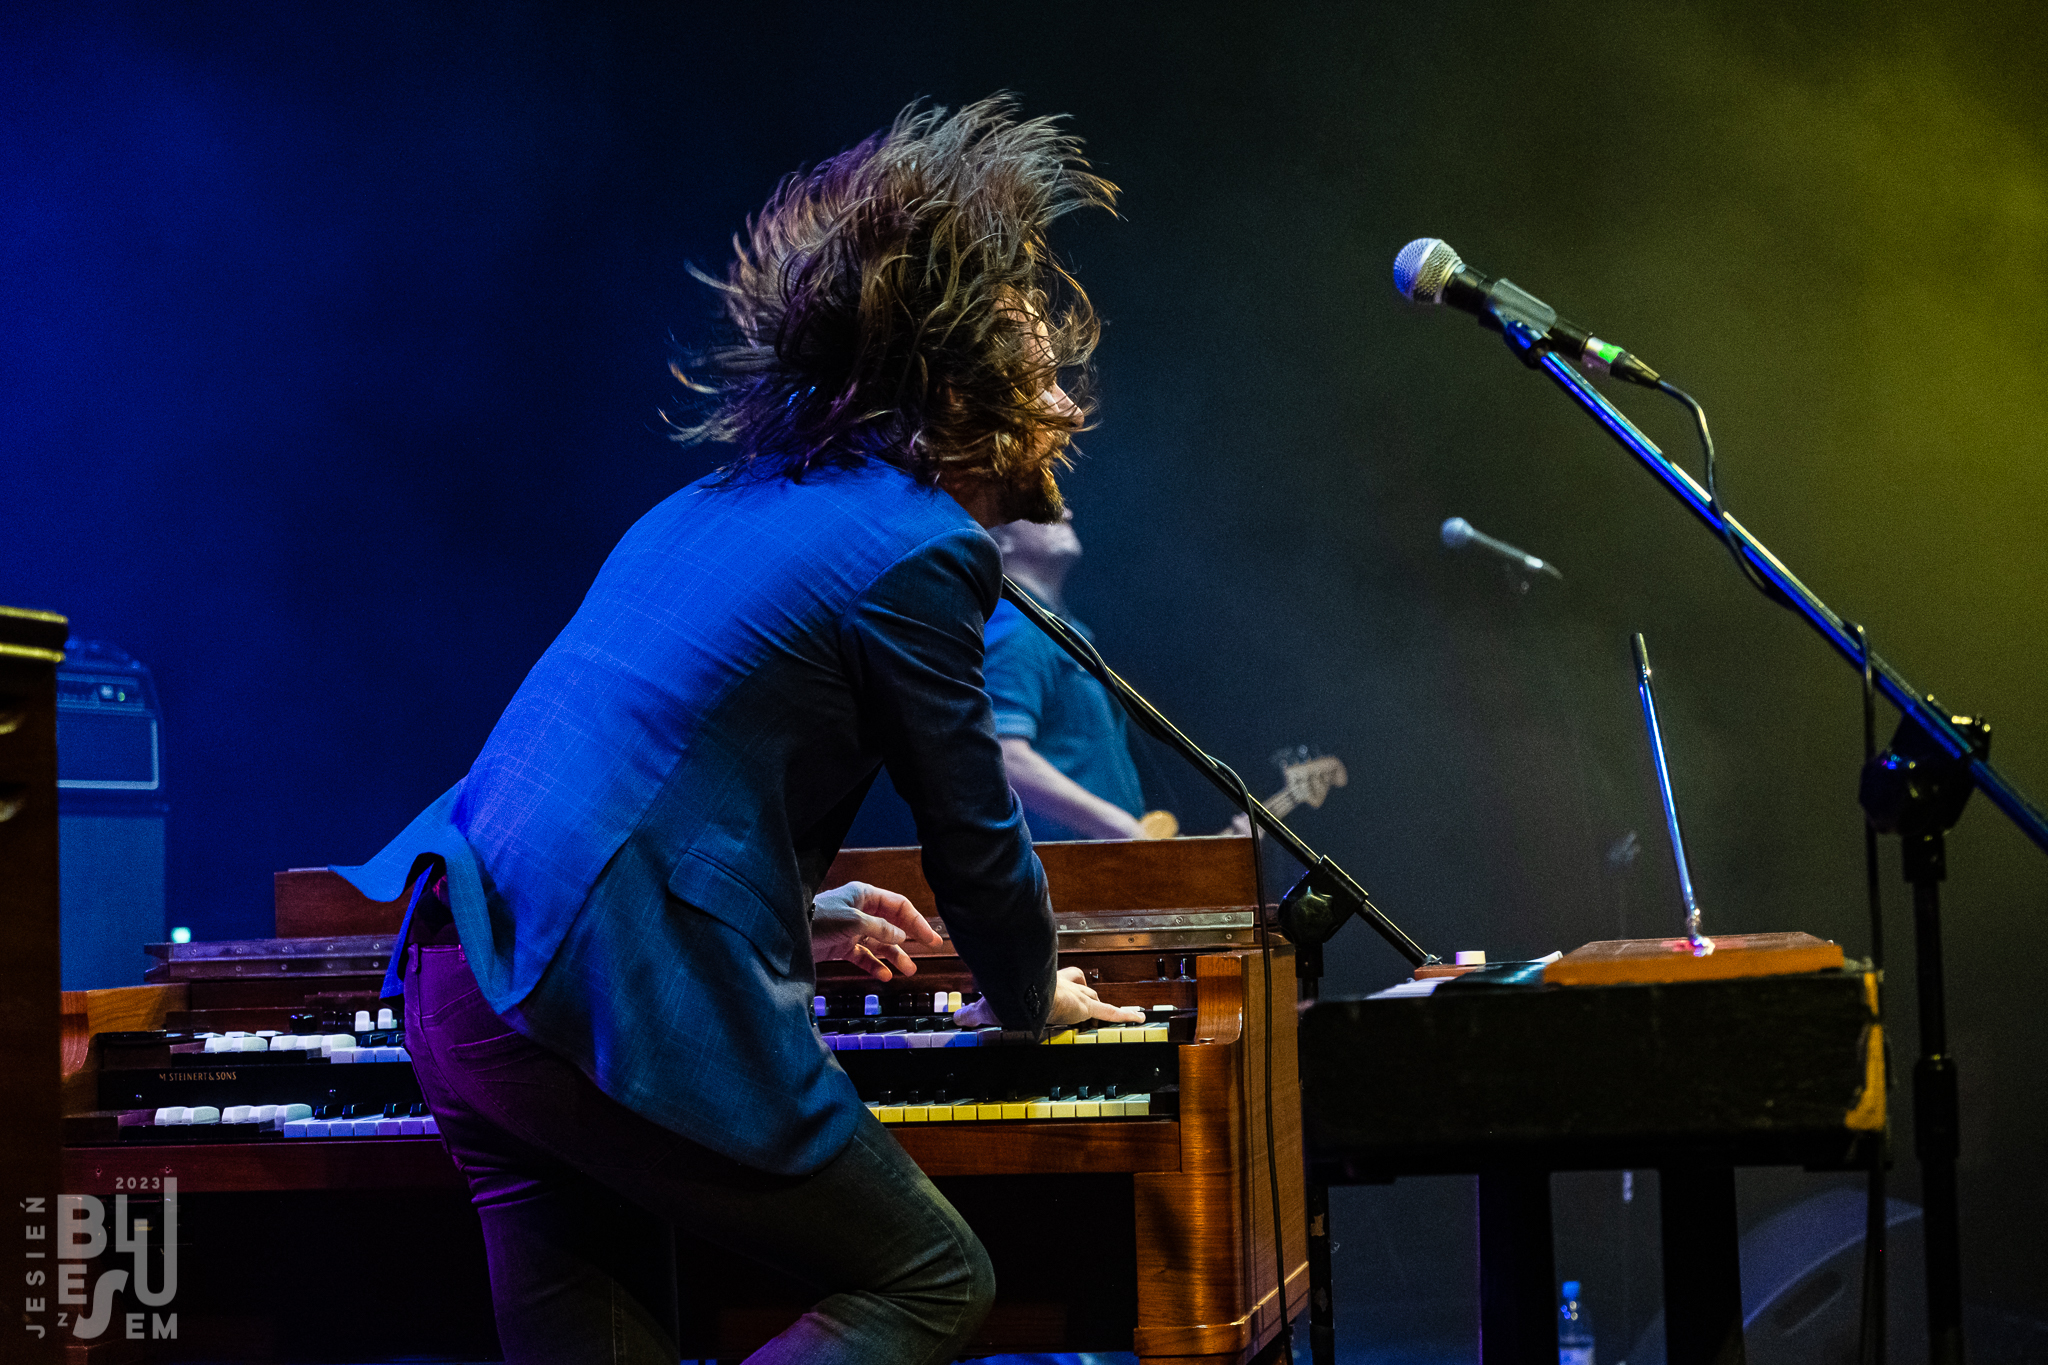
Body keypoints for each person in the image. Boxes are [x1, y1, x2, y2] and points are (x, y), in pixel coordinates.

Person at [332, 97, 1142, 1365]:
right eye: (1039, 374)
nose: (1066, 407)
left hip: (460, 976)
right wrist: (1032, 998)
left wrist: (786, 906)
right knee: (930, 1279)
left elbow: (635, 781)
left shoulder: (708, 504)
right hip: (587, 997)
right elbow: (977, 843)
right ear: (956, 391)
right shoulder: (921, 547)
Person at [985, 509, 1150, 840]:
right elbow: (1003, 757)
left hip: (1102, 857)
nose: (1065, 512)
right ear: (1001, 538)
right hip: (1068, 862)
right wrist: (1116, 825)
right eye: (1040, 502)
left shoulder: (1062, 630)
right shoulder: (1017, 628)